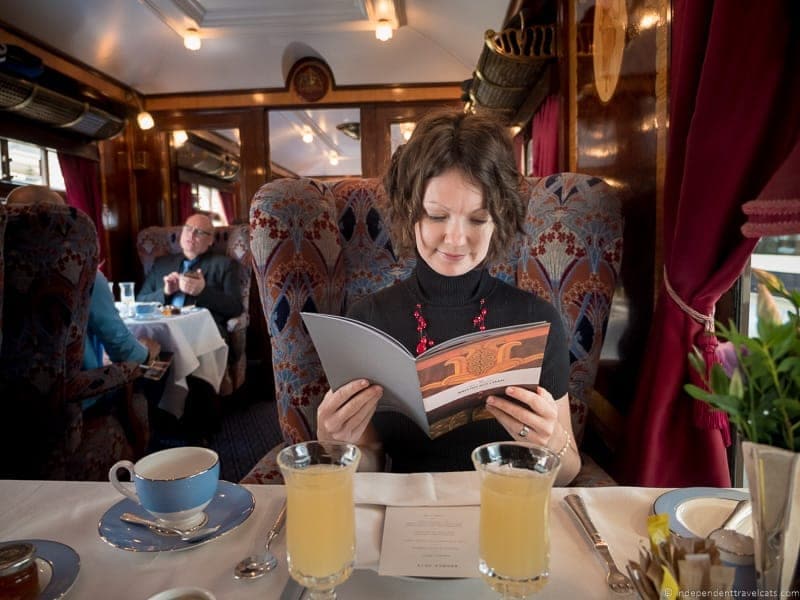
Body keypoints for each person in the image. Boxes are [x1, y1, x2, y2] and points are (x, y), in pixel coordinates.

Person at [315, 110, 581, 485]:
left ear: (499, 218)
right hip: (408, 522)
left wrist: (553, 443)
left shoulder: (536, 320)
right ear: (410, 212)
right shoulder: (370, 320)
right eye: (437, 216)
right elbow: (372, 463)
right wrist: (336, 444)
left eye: (477, 219)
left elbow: (569, 472)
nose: (456, 239)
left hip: (504, 511)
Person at [5, 185, 161, 389]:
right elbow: (124, 351)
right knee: (155, 375)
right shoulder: (84, 275)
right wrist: (148, 351)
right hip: (74, 399)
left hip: (7, 405)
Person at [137, 213, 243, 337]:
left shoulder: (224, 265)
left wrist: (202, 292)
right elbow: (140, 302)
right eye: (188, 228)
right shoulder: (161, 264)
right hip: (162, 329)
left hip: (202, 332)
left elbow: (236, 308)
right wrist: (165, 292)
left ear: (210, 240)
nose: (191, 235)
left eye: (199, 232)